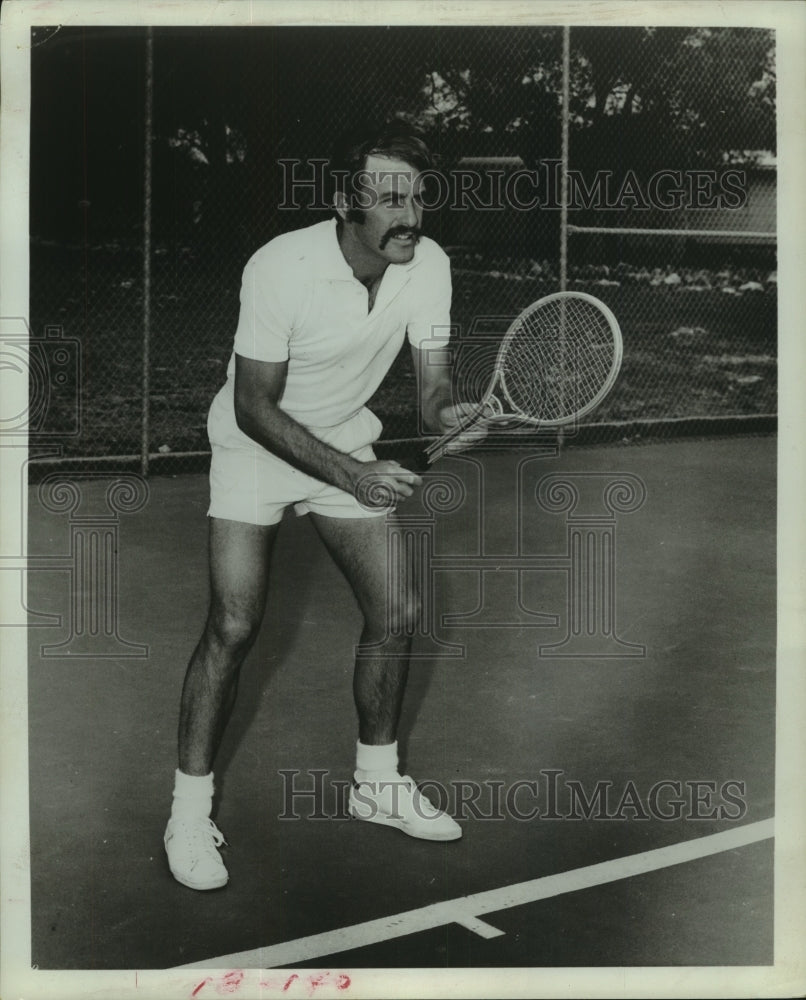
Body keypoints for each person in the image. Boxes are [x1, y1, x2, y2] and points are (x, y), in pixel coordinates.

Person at [164, 121, 477, 891]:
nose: (410, 216)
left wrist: (450, 416)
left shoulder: (429, 266)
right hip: (255, 447)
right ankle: (188, 814)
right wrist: (354, 476)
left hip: (342, 440)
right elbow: (254, 407)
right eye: (391, 199)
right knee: (234, 625)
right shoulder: (281, 267)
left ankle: (377, 783)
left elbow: (432, 391)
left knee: (397, 611)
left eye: (418, 198)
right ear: (344, 202)